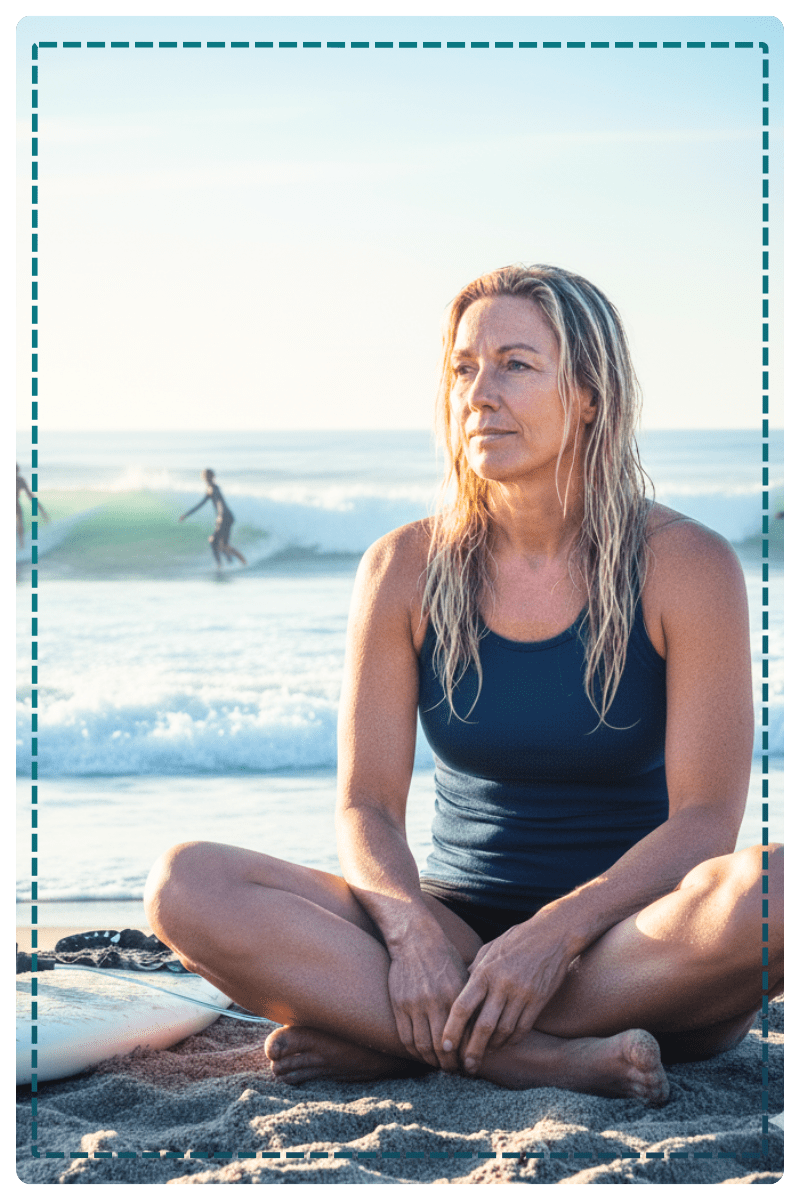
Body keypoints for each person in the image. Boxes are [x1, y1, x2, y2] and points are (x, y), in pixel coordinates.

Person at [145, 265, 782, 1103]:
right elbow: (366, 804)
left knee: (769, 889)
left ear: (589, 393)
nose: (480, 392)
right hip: (451, 930)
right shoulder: (404, 566)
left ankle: (406, 1039)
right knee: (188, 883)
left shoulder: (685, 565)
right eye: (463, 368)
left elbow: (705, 820)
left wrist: (553, 935)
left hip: (636, 948)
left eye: (516, 364)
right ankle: (530, 1057)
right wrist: (411, 938)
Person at [179, 469, 246, 567]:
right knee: (221, 545)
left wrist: (221, 517)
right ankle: (235, 562)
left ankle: (223, 565)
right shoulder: (213, 488)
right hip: (227, 517)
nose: (206, 479)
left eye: (207, 476)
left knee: (214, 542)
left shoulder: (212, 489)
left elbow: (218, 503)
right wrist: (187, 514)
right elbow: (201, 504)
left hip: (224, 517)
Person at [16, 463, 49, 549]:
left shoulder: (21, 481)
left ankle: (21, 547)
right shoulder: (20, 480)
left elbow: (31, 496)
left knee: (20, 525)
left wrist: (42, 511)